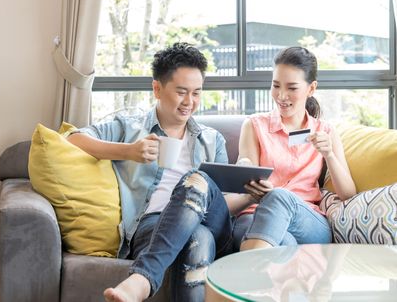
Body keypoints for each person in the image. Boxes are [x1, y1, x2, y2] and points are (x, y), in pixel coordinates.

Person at [67, 43, 255, 302]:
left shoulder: (213, 140)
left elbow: (222, 203)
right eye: (181, 92)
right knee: (196, 238)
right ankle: (144, 278)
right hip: (153, 224)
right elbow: (72, 139)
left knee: (198, 180)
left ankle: (142, 279)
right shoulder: (130, 127)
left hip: (212, 224)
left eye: (197, 93)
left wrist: (249, 197)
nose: (189, 102)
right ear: (157, 88)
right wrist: (129, 152)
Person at [233, 46, 356, 252]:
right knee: (285, 244)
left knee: (280, 196)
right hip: (256, 215)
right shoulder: (255, 125)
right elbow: (246, 171)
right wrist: (244, 167)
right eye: (276, 86)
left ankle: (247, 273)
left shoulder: (325, 131)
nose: (281, 95)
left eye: (292, 88)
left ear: (311, 88)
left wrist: (329, 155)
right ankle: (258, 274)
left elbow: (347, 193)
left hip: (306, 220)